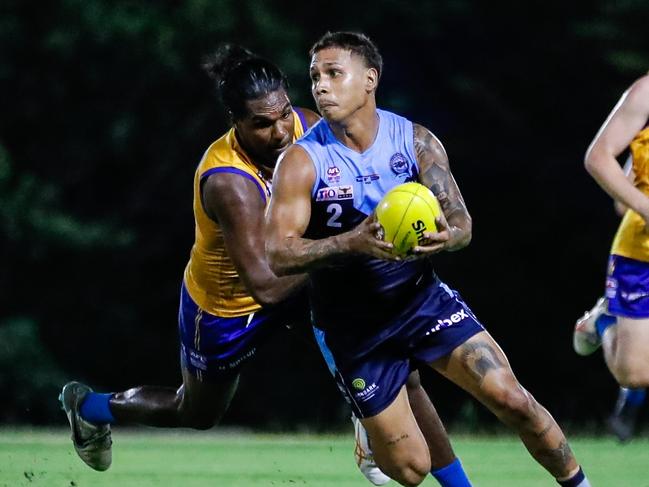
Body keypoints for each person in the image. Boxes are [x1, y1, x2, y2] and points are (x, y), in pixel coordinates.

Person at [58, 44, 471, 487]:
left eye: (282, 116)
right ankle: (90, 408)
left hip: (308, 272)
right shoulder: (228, 182)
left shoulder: (309, 127)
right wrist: (348, 247)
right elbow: (266, 286)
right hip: (229, 305)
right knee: (195, 411)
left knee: (400, 369)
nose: (279, 133)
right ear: (235, 123)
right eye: (261, 124)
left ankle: (429, 463)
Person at [265, 31, 591, 487]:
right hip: (352, 328)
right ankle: (369, 430)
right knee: (411, 470)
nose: (320, 85)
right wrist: (350, 242)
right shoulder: (301, 161)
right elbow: (277, 254)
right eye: (315, 75)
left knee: (513, 399)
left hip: (420, 301)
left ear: (370, 79)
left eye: (334, 73)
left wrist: (449, 236)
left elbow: (461, 221)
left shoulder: (415, 141)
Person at [573, 73, 649, 441]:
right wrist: (645, 207)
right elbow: (598, 157)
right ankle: (603, 320)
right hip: (641, 253)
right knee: (634, 375)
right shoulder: (646, 92)